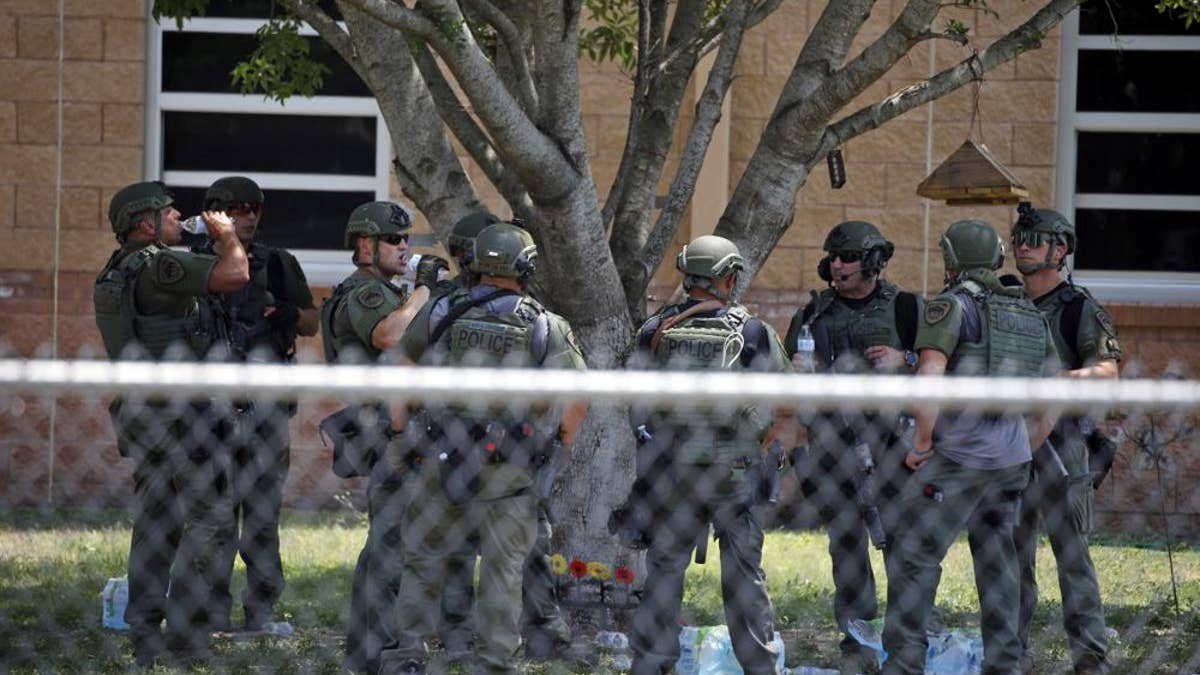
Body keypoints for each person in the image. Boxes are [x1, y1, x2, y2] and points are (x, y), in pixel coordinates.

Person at [380, 221, 588, 675]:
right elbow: (576, 397)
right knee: (503, 567)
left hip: (441, 452)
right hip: (510, 461)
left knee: (422, 559)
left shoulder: (439, 310)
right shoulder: (544, 324)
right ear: (526, 264)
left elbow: (403, 369)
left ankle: (406, 655)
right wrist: (560, 445)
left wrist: (400, 432)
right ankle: (494, 662)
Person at [881, 219, 1059, 675]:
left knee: (914, 553)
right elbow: (1052, 395)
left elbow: (930, 377)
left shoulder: (951, 307)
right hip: (1011, 463)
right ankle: (1005, 665)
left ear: (951, 259)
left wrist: (922, 442)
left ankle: (903, 665)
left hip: (958, 459)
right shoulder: (1026, 311)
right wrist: (1023, 445)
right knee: (999, 562)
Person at [94, 180, 249, 666]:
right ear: (146, 224)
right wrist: (225, 235)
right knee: (209, 518)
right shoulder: (160, 264)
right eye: (167, 212)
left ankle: (144, 631)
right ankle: (186, 634)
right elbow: (235, 274)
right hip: (184, 416)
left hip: (145, 413)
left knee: (156, 523)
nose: (178, 214)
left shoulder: (115, 272)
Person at [625, 235, 789, 675]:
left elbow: (635, 402)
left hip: (670, 473)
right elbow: (788, 403)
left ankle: (652, 664)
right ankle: (759, 667)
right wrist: (757, 442)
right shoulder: (752, 333)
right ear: (730, 277)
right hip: (732, 473)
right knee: (743, 577)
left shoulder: (654, 331)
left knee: (663, 571)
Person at [319, 200, 463, 674]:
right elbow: (390, 335)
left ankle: (376, 648)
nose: (404, 246)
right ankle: (375, 652)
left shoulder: (386, 289)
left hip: (397, 427)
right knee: (390, 544)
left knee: (395, 541)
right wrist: (423, 289)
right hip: (384, 429)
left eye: (407, 239)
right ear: (365, 245)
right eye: (393, 239)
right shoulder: (366, 292)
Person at [781, 220, 921, 670]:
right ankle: (857, 642)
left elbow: (944, 366)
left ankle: (906, 641)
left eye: (848, 257)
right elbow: (786, 380)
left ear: (874, 261)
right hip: (831, 445)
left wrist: (908, 359)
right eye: (833, 258)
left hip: (892, 445)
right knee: (846, 545)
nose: (836, 265)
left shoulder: (905, 309)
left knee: (903, 543)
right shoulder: (812, 315)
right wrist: (798, 372)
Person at [192, 176, 318, 633]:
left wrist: (289, 314)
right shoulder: (191, 262)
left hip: (265, 408)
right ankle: (210, 614)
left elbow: (310, 323)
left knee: (262, 519)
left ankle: (261, 613)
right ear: (213, 212)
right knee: (214, 517)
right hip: (212, 408)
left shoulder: (278, 264)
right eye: (236, 208)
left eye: (254, 208)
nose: (247, 216)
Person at [1011, 204, 1119, 675]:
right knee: (1011, 554)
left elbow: (1107, 371)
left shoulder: (1079, 308)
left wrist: (1063, 378)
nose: (1022, 245)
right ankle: (1008, 649)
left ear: (1060, 249)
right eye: (1019, 238)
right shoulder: (1006, 302)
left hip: (1062, 444)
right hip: (1009, 442)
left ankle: (1090, 657)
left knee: (1071, 554)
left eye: (1034, 239)